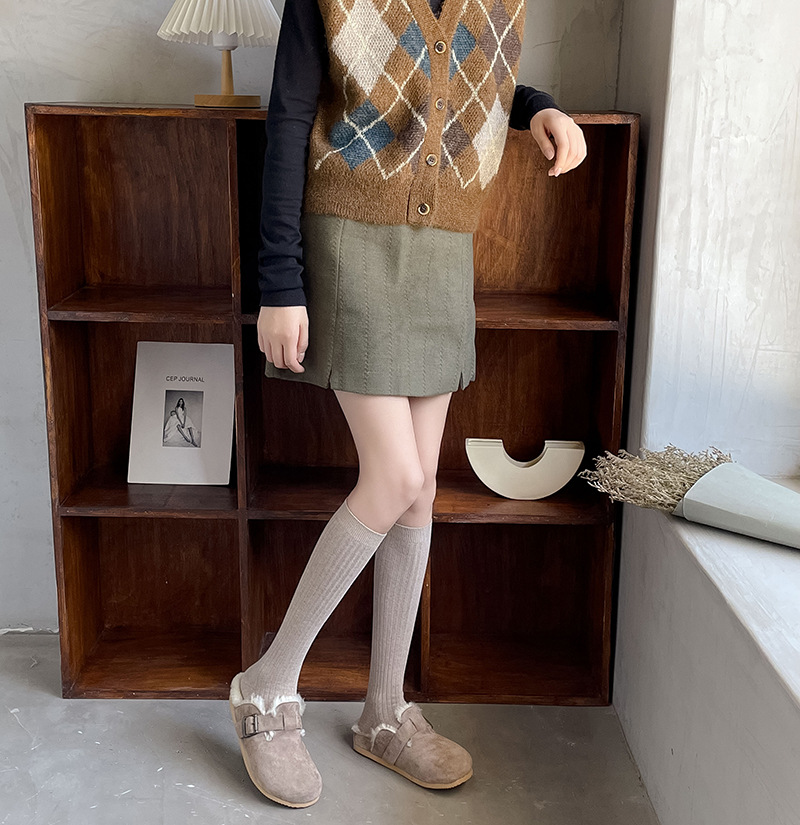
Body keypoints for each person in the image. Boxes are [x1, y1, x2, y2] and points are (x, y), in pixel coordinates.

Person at [229, 0, 587, 808]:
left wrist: (538, 105)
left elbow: (456, 74)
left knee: (421, 488)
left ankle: (384, 711)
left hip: (443, 251)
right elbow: (289, 119)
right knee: (392, 478)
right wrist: (279, 282)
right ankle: (268, 685)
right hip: (347, 241)